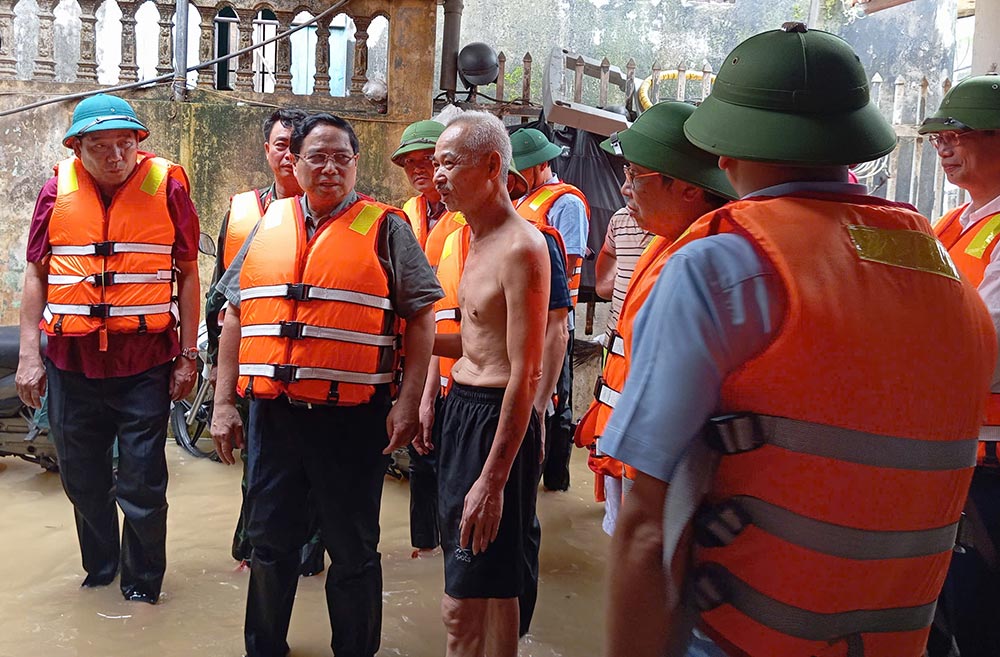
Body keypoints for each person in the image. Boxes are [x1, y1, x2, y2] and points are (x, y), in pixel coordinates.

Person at [601, 24, 997, 657]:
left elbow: (646, 527)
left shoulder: (718, 268)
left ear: (726, 150)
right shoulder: (943, 270)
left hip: (743, 639)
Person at [210, 112, 441, 657]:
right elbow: (235, 316)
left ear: (356, 164)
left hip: (352, 419)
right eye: (317, 157)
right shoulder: (269, 223)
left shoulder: (386, 228)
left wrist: (409, 402)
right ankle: (265, 648)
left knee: (354, 548)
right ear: (294, 162)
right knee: (269, 543)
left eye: (341, 157)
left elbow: (422, 317)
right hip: (275, 416)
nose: (330, 168)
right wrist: (223, 402)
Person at [15, 93, 201, 604]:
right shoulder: (56, 190)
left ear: (139, 142)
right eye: (100, 146)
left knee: (143, 484)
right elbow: (36, 273)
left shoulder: (168, 187)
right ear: (77, 148)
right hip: (71, 363)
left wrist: (188, 355)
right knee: (81, 481)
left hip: (144, 363)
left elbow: (187, 273)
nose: (116, 156)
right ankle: (100, 573)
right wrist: (30, 355)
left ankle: (142, 590)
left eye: (125, 143)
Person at [422, 110, 550, 657]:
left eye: (449, 163)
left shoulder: (522, 248)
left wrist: (493, 481)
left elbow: (527, 372)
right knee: (495, 587)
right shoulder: (471, 239)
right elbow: (476, 342)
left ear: (493, 166)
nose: (437, 175)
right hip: (463, 409)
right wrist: (405, 339)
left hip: (497, 420)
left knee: (463, 603)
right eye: (436, 163)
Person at [574, 101, 735, 536]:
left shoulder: (711, 265)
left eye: (634, 174)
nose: (624, 187)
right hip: (635, 462)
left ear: (687, 188)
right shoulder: (667, 244)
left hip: (671, 487)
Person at [204, 107, 325, 576]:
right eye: (281, 146)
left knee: (316, 475)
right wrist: (218, 375)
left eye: (299, 147)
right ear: (268, 151)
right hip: (255, 371)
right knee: (258, 470)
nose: (289, 156)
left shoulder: (341, 215)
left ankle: (307, 561)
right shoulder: (245, 213)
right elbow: (221, 298)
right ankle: (253, 553)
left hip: (317, 374)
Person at [919, 72, 1000, 657]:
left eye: (958, 134)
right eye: (938, 138)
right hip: (952, 454)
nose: (944, 147)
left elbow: (986, 355)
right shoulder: (950, 224)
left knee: (981, 620)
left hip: (991, 467)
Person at [391, 118, 471, 557]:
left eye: (429, 160)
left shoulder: (469, 215)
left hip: (459, 357)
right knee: (422, 455)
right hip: (420, 351)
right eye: (410, 163)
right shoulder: (407, 214)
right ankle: (425, 547)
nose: (419, 169)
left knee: (454, 462)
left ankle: (459, 549)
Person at [511, 127, 589, 492]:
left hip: (557, 319)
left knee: (558, 397)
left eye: (523, 168)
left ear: (542, 165)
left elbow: (568, 261)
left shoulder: (566, 203)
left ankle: (556, 479)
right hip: (524, 317)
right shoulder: (521, 201)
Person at [594, 207, 653, 343]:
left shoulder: (684, 228)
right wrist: (606, 285)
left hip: (650, 346)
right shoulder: (621, 217)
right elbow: (609, 253)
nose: (626, 192)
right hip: (614, 343)